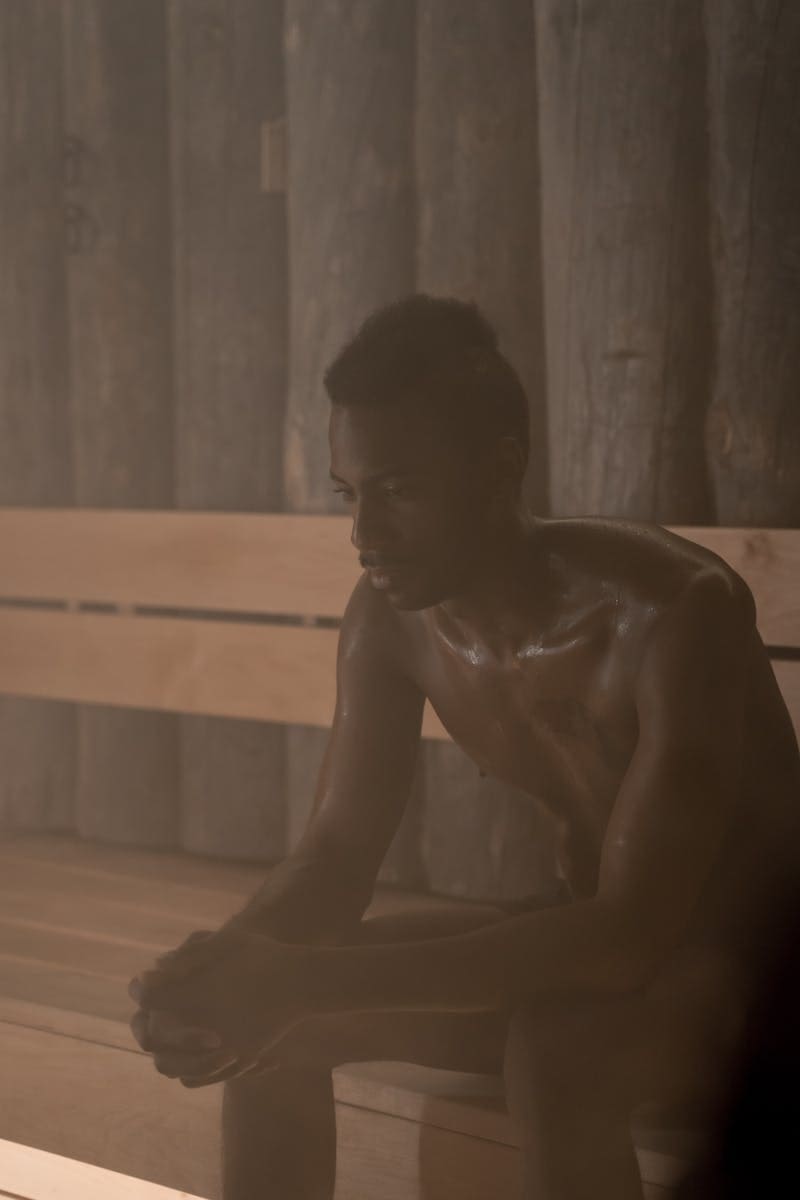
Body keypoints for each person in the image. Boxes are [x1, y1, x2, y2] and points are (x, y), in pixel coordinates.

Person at [128, 295, 800, 1200]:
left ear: (499, 471)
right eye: (350, 495)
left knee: (558, 1050)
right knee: (279, 1032)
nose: (364, 535)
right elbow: (333, 857)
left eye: (399, 490)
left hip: (750, 984)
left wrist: (301, 979)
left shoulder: (673, 616)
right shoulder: (392, 623)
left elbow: (629, 938)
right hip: (589, 954)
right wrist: (226, 976)